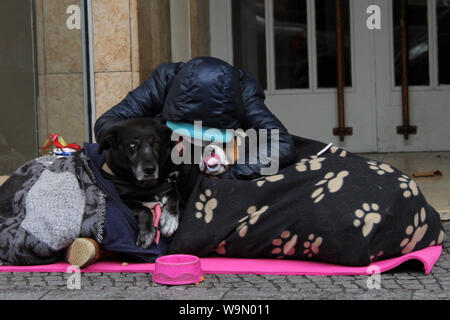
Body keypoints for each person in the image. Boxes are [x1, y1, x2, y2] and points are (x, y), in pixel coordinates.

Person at [94, 56, 296, 180]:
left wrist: (231, 174)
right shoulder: (164, 80)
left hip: (218, 164)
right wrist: (155, 142)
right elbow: (107, 123)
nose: (195, 143)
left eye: (203, 136)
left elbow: (281, 143)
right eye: (189, 134)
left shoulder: (243, 91)